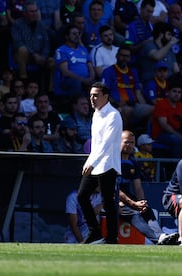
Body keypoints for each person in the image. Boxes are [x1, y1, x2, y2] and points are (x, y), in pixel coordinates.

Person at [77, 82, 122, 244]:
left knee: (107, 201)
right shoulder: (96, 114)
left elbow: (107, 143)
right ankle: (94, 232)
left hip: (108, 164)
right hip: (96, 163)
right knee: (82, 196)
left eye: (95, 95)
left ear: (106, 96)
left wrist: (92, 162)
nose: (92, 98)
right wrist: (90, 161)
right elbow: (96, 143)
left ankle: (111, 237)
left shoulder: (114, 115)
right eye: (91, 95)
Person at [119, 130, 179, 244]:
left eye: (132, 143)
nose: (130, 145)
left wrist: (141, 202)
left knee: (146, 209)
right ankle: (157, 240)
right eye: (126, 142)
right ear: (118, 142)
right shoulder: (113, 160)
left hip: (127, 199)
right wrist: (127, 203)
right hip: (113, 198)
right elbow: (111, 187)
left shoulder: (133, 162)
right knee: (134, 212)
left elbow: (137, 187)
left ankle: (160, 235)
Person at [101, 45, 153, 130]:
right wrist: (116, 103)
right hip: (116, 105)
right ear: (117, 56)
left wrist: (143, 105)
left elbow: (138, 93)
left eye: (127, 56)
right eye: (122, 55)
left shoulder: (133, 72)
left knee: (154, 110)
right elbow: (103, 93)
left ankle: (147, 137)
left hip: (133, 105)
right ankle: (125, 138)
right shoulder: (108, 71)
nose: (124, 59)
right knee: (127, 111)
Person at [53, 24, 95, 107]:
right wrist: (83, 80)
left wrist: (91, 78)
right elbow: (65, 72)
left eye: (78, 34)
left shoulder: (83, 49)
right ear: (67, 36)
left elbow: (90, 67)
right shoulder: (61, 50)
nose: (77, 36)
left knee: (98, 85)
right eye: (74, 34)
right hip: (68, 82)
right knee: (76, 83)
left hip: (85, 81)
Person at [11, 1, 52, 80]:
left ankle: (51, 90)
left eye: (36, 11)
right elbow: (17, 42)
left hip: (39, 57)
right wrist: (33, 54)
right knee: (22, 50)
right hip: (24, 56)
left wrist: (43, 56)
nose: (35, 14)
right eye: (32, 12)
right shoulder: (17, 24)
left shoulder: (41, 25)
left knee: (53, 62)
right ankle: (24, 78)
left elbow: (46, 44)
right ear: (24, 13)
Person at [151, 82, 182, 158]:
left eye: (179, 92)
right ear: (168, 93)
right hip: (160, 134)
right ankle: (175, 167)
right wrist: (179, 136)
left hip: (177, 132)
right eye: (174, 91)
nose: (177, 94)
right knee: (176, 140)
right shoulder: (161, 104)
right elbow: (164, 125)